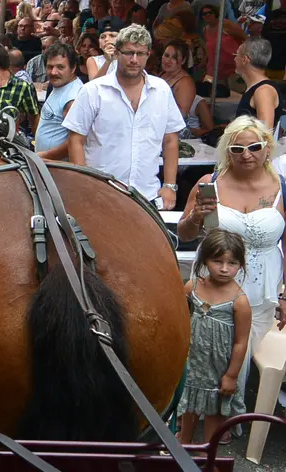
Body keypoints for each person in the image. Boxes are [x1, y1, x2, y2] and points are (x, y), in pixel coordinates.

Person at [178, 116, 286, 391]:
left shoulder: (282, 188)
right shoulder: (210, 183)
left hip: (262, 286)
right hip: (213, 281)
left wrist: (285, 294)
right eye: (237, 149)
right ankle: (202, 410)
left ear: (267, 148)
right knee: (208, 345)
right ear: (228, 151)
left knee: (243, 348)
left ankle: (227, 410)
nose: (246, 155)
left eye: (254, 147)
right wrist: (195, 217)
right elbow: (184, 235)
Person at [64, 24, 186, 209]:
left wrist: (170, 186)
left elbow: (170, 140)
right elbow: (75, 140)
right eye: (129, 53)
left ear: (148, 55)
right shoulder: (93, 90)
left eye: (140, 53)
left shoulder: (161, 90)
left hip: (147, 195)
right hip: (100, 194)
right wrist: (83, 185)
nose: (134, 59)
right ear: (117, 53)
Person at [176, 229, 250, 445]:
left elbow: (240, 342)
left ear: (241, 264)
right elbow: (178, 319)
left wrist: (232, 375)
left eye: (233, 263)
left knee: (214, 420)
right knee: (188, 411)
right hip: (192, 366)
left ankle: (208, 459)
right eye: (217, 261)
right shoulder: (193, 287)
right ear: (205, 260)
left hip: (219, 372)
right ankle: (184, 451)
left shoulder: (240, 301)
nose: (225, 269)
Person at [234, 37, 282, 131]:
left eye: (236, 55)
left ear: (244, 59)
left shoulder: (264, 91)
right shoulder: (256, 88)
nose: (234, 59)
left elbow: (265, 133)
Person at [202, 3, 247, 86]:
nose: (207, 15)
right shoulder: (205, 30)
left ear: (215, 13)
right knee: (210, 91)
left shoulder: (226, 24)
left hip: (231, 68)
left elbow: (244, 37)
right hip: (213, 69)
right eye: (204, 14)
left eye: (210, 12)